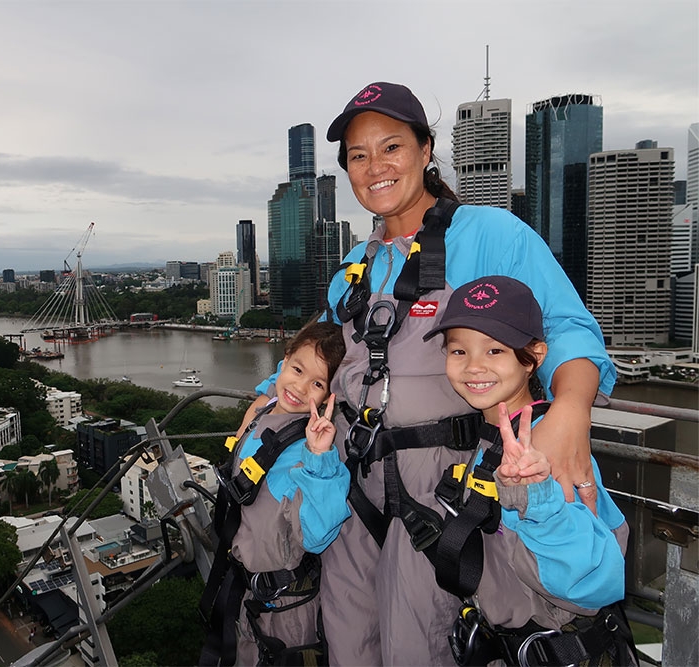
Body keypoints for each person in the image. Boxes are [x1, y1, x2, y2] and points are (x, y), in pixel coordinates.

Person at [246, 81, 616, 664]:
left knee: (421, 645)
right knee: (350, 643)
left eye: (391, 147)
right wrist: (271, 395)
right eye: (359, 156)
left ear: (425, 151)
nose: (376, 167)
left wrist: (570, 412)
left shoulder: (491, 235)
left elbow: (569, 327)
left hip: (440, 496)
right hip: (352, 493)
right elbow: (322, 348)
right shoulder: (354, 266)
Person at [422, 275, 636, 665]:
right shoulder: (482, 437)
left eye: (495, 351)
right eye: (458, 352)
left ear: (534, 355)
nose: (474, 367)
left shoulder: (549, 446)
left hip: (561, 651)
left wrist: (540, 502)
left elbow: (596, 582)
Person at [200, 321, 351, 666]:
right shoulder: (266, 412)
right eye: (297, 369)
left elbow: (316, 536)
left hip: (285, 608)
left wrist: (319, 460)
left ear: (330, 397)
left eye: (317, 383)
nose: (299, 387)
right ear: (283, 362)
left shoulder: (308, 452)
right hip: (247, 592)